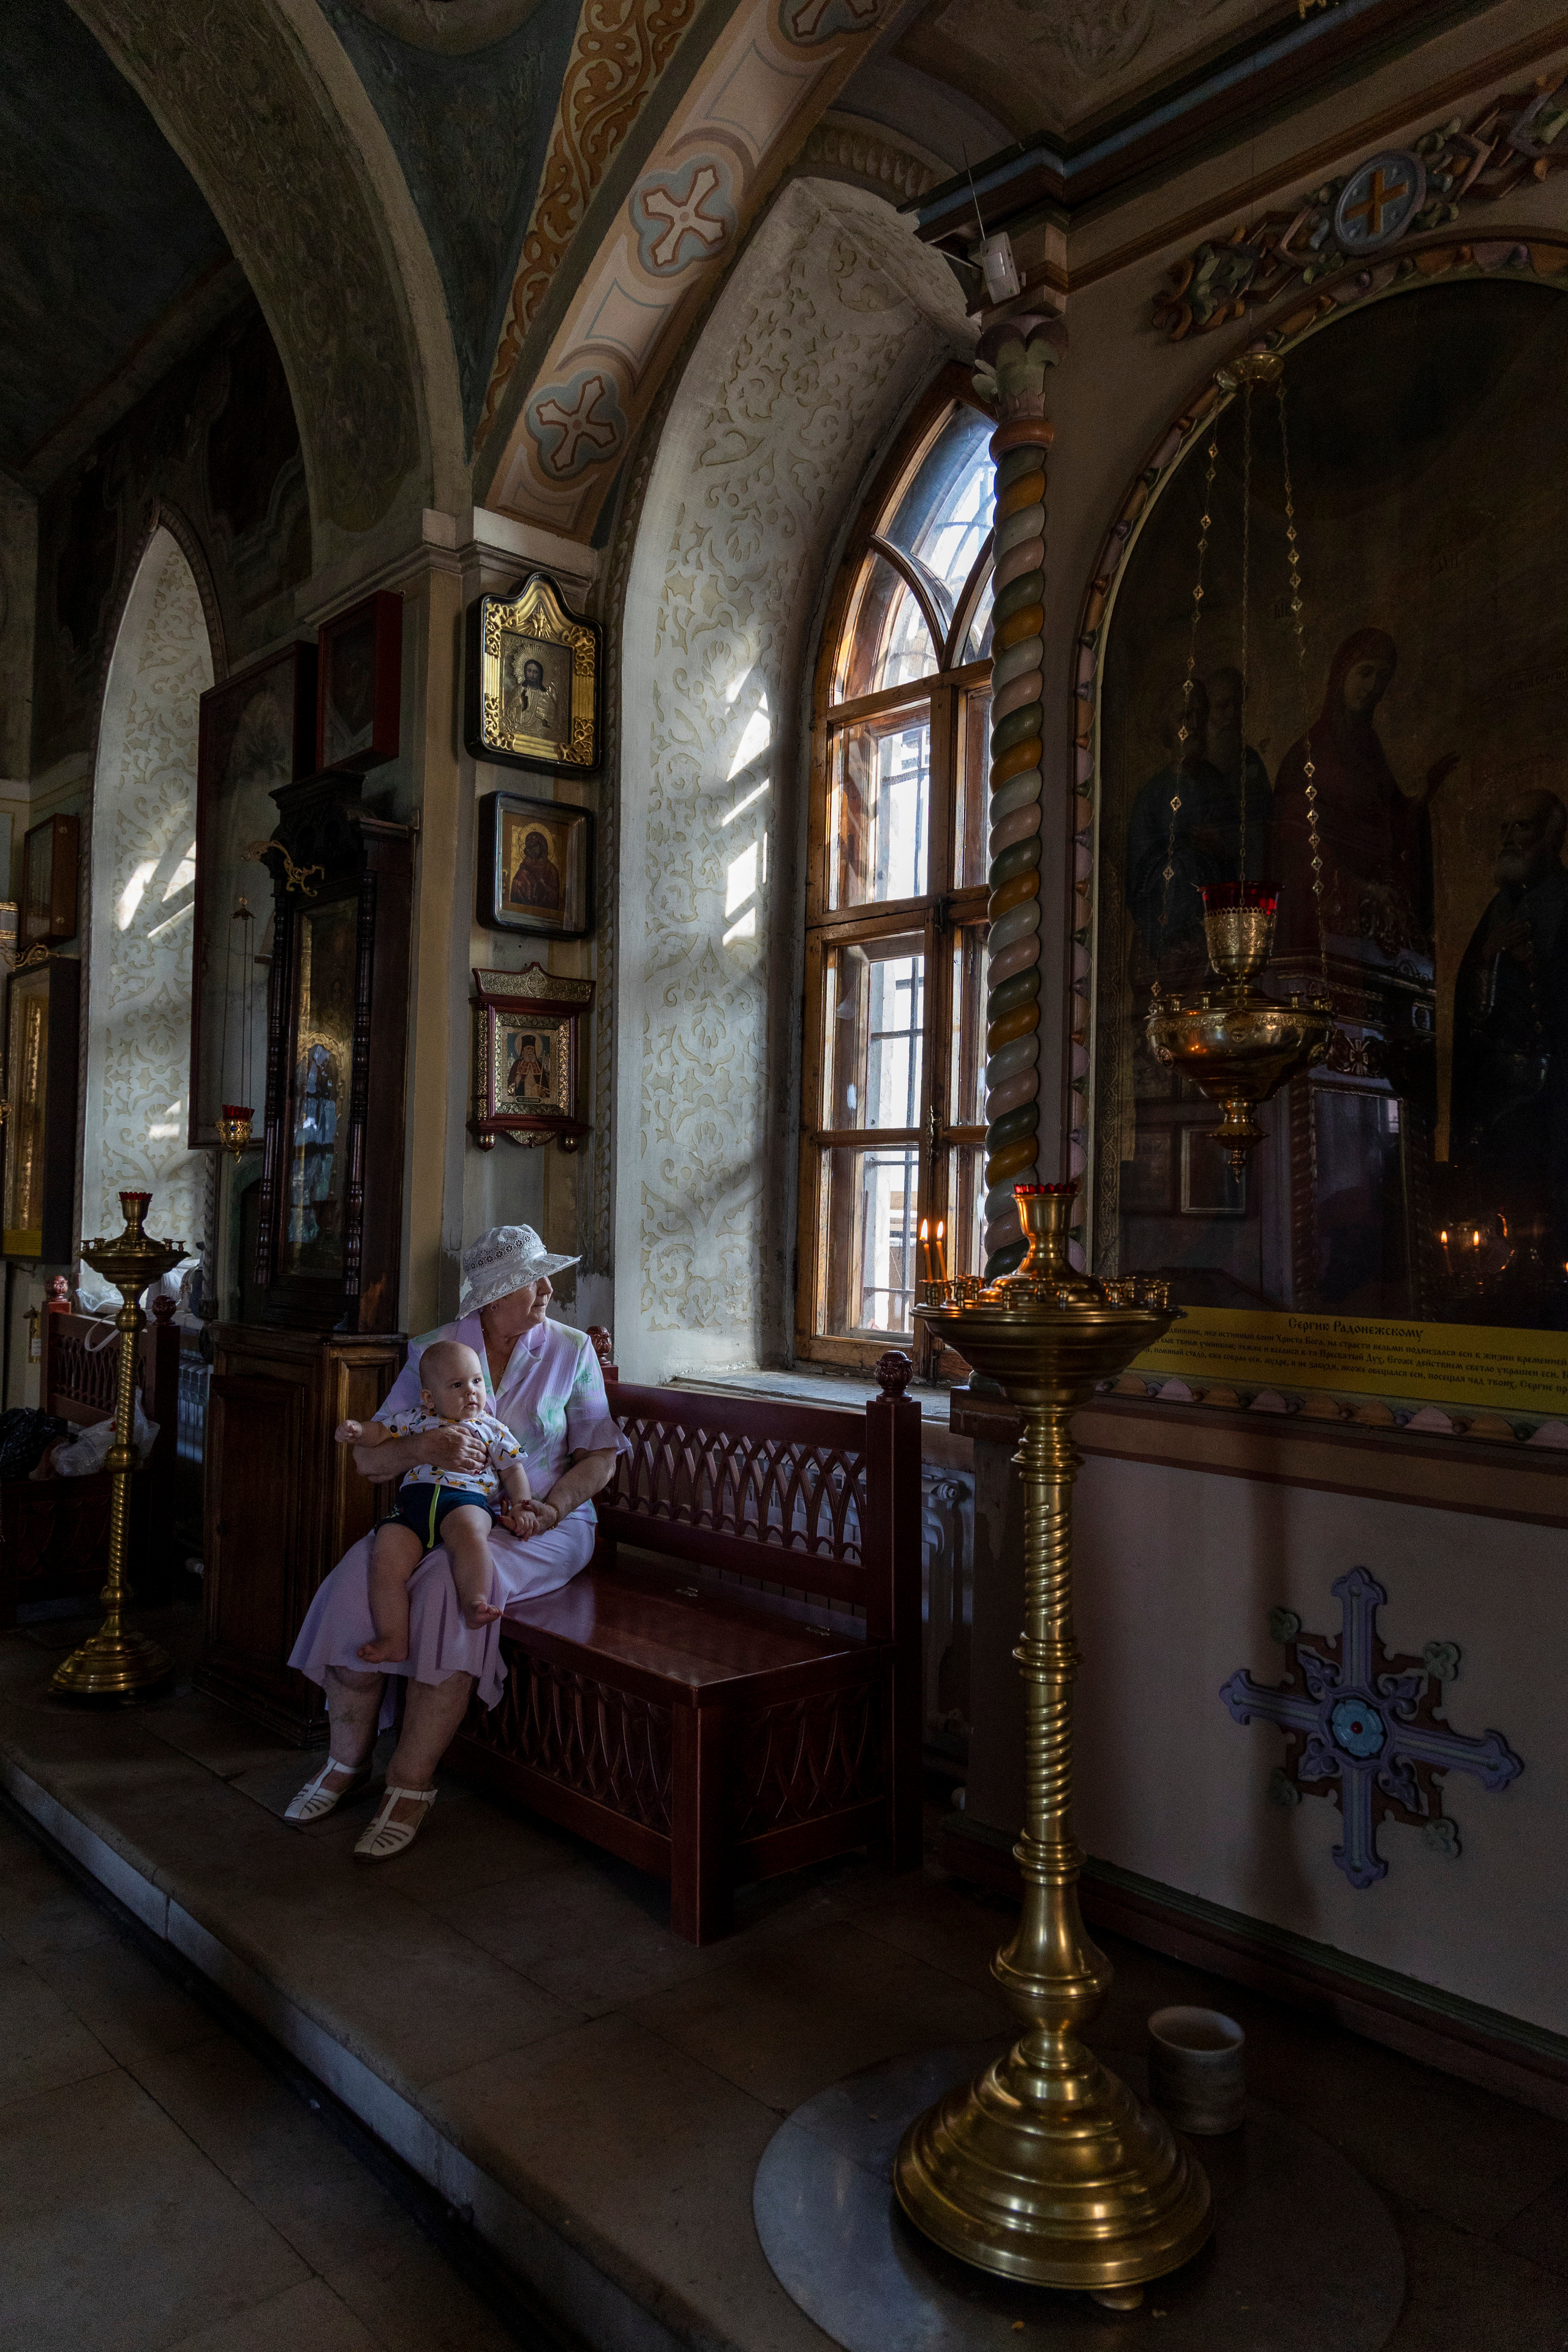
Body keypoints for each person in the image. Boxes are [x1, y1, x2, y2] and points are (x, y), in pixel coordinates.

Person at [284, 1224, 630, 1860]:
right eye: (533, 1279)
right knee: (356, 1581)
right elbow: (372, 1462)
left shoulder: (572, 1350)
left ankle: (409, 1783)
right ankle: (343, 1762)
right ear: (492, 1298)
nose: (549, 1290)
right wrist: (424, 1448)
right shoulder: (434, 1351)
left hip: (543, 1527)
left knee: (447, 1587)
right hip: (432, 1513)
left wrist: (547, 1510)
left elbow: (600, 1457)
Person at [336, 1340, 531, 1658]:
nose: (471, 1391)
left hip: (466, 1501)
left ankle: (475, 1601)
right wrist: (358, 1430)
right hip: (414, 1503)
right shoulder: (416, 1420)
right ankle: (394, 1638)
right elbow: (381, 1432)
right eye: (457, 1385)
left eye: (477, 1381)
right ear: (429, 1398)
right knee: (385, 1559)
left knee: (471, 1536)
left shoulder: (490, 1428)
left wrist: (524, 1505)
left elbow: (513, 1469)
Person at [1270, 628, 1455, 962]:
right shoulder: (1307, 756)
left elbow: (1391, 822)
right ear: (1342, 673)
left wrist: (1423, 799)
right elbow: (1295, 841)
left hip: (1375, 904)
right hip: (1328, 905)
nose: (1372, 687)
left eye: (1382, 679)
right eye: (1365, 673)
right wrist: (1358, 887)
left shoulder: (1370, 749)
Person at [1450, 788, 1568, 1274]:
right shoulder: (1497, 910)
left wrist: (1535, 965)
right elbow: (1470, 1007)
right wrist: (1487, 959)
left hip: (1556, 1093)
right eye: (1504, 829)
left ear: (1551, 836)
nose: (1510, 839)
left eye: (1522, 827)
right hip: (1499, 1095)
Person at [508, 829, 562, 911]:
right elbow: (517, 883)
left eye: (535, 846)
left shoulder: (551, 869)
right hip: (524, 907)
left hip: (543, 909)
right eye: (530, 847)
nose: (532, 850)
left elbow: (555, 894)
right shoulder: (527, 864)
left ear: (542, 846)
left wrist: (543, 884)